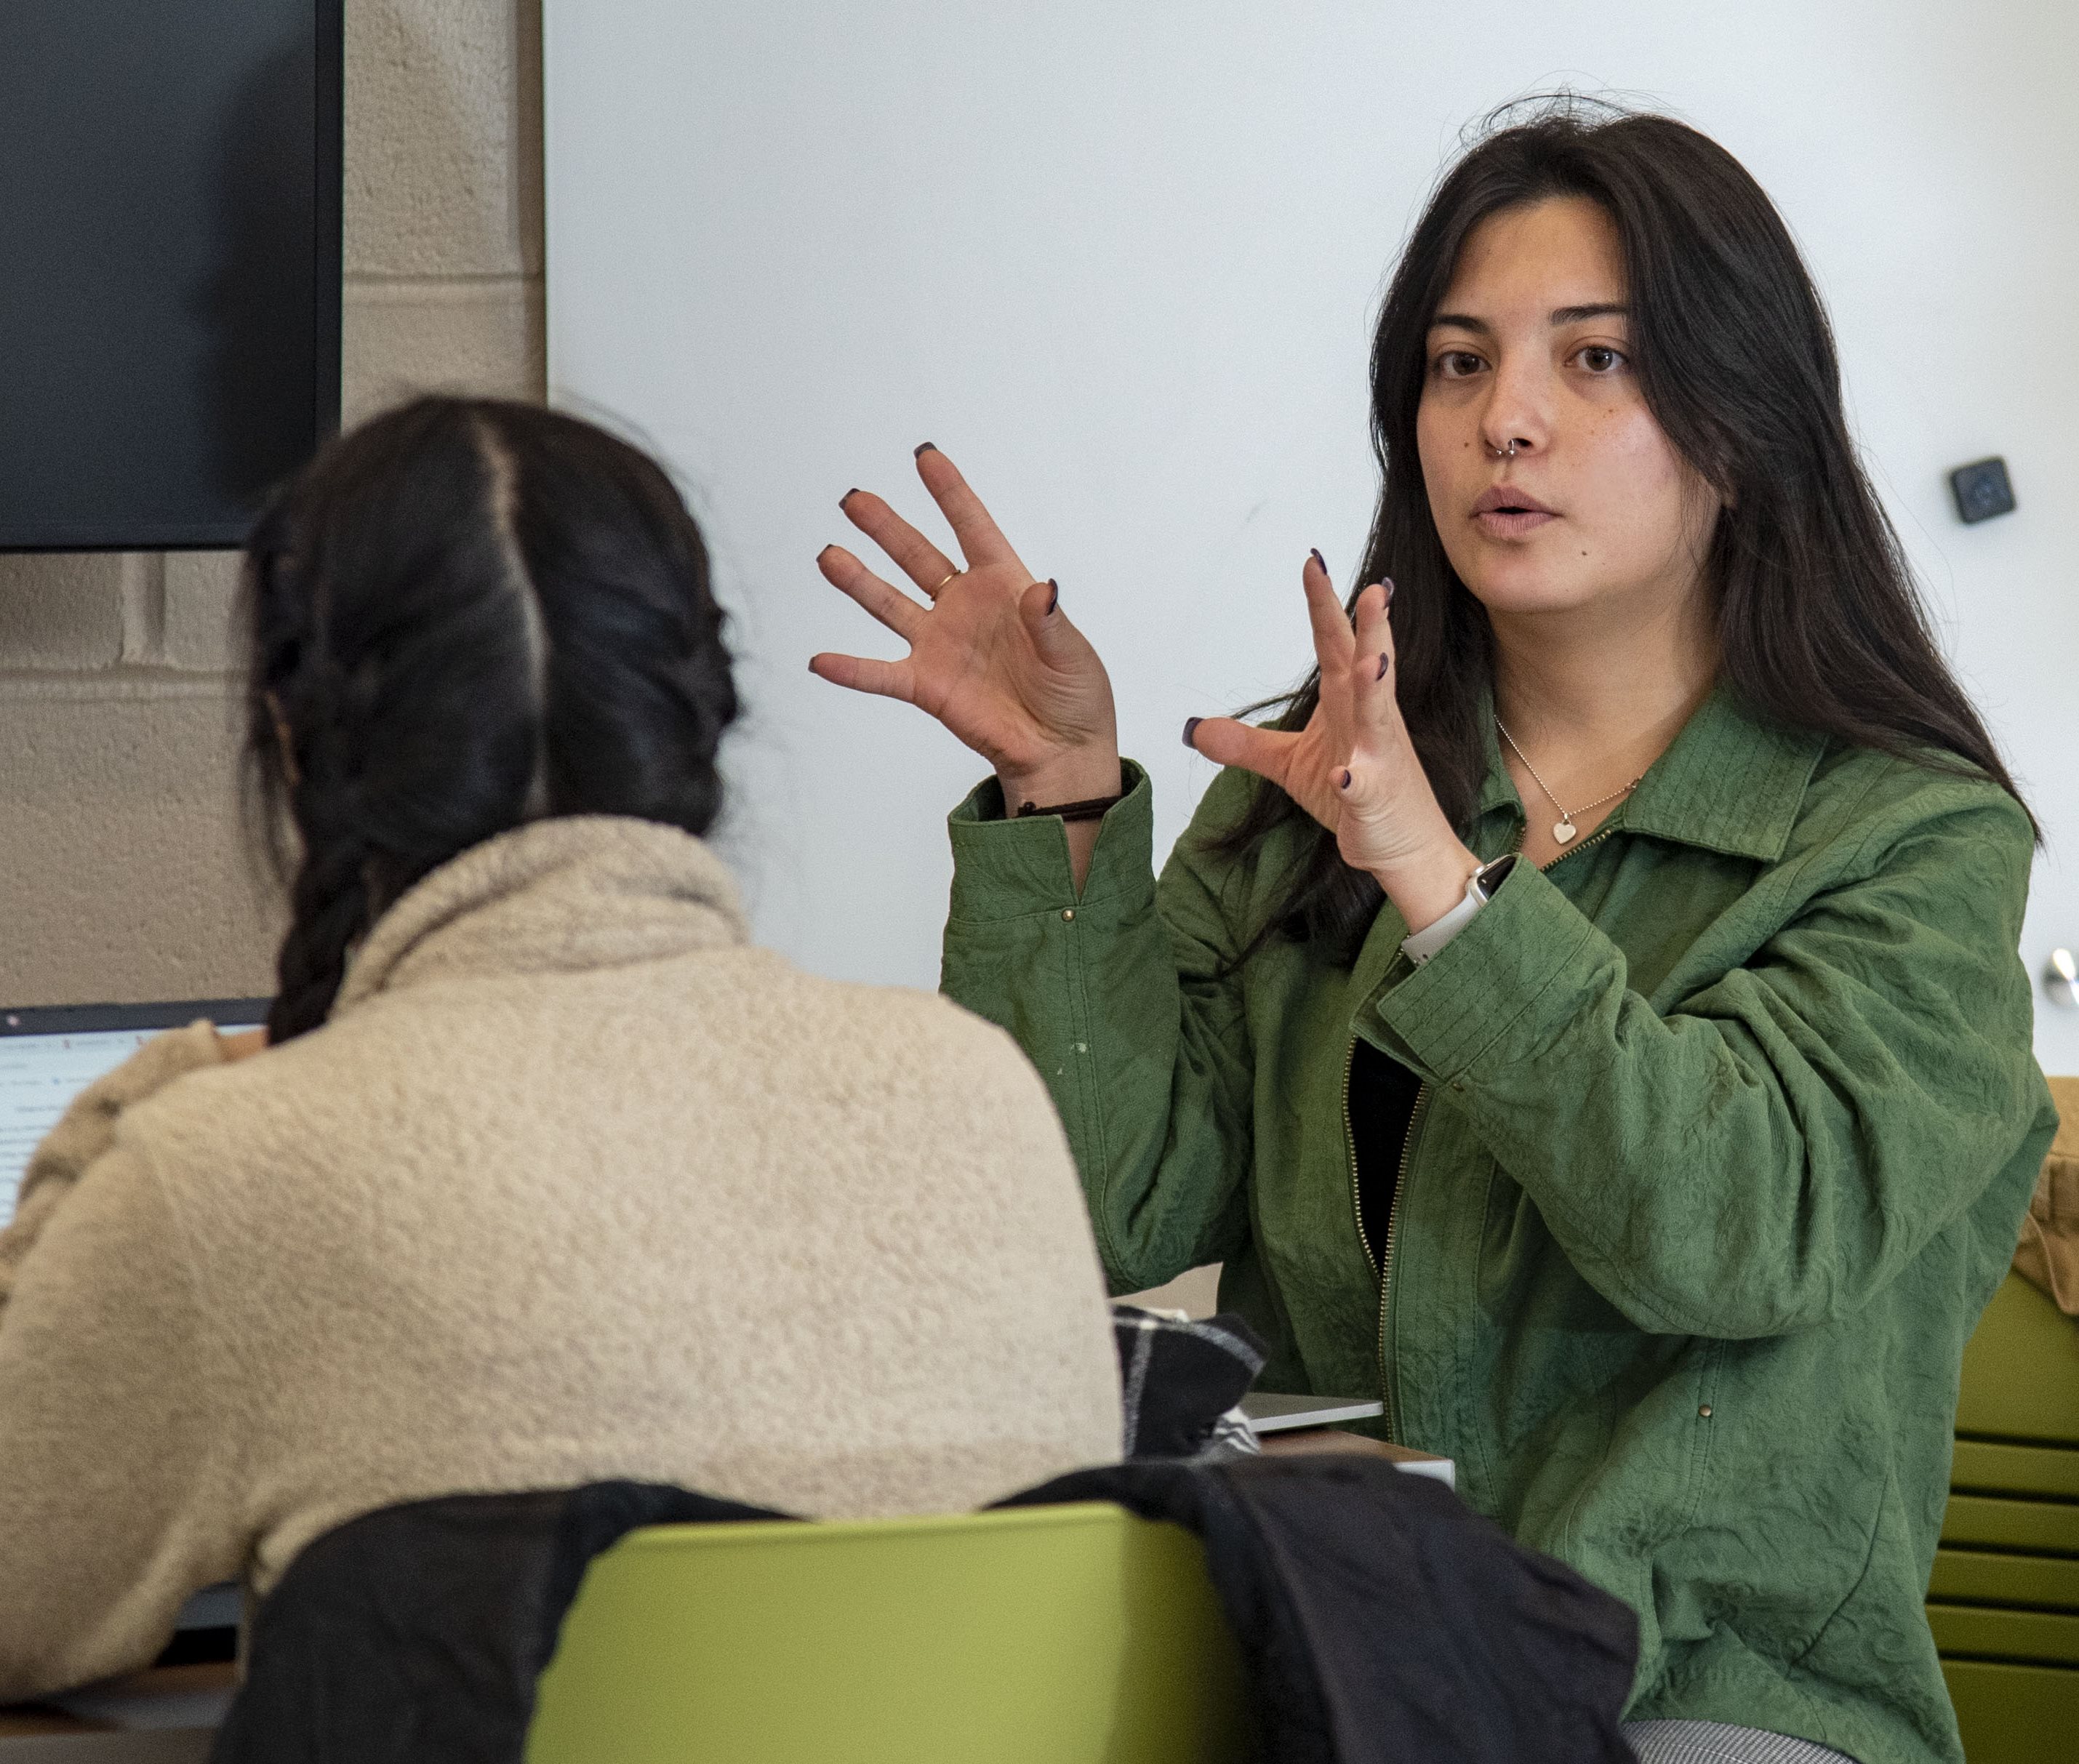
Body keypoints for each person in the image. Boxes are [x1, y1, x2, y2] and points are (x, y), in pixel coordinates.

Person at [812, 102, 2054, 1764]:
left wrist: (1442, 889)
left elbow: (1740, 1229)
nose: (1505, 422)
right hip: (1328, 1652)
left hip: (1689, 1699)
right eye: (1457, 365)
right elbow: (1099, 1213)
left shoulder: (1906, 838)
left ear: (1742, 425)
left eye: (1594, 361)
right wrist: (1067, 800)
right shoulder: (1314, 784)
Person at [0, 396, 1122, 1700]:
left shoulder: (226, 1163)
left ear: (297, 739)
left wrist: (161, 1101)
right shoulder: (975, 1091)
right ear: (702, 721)